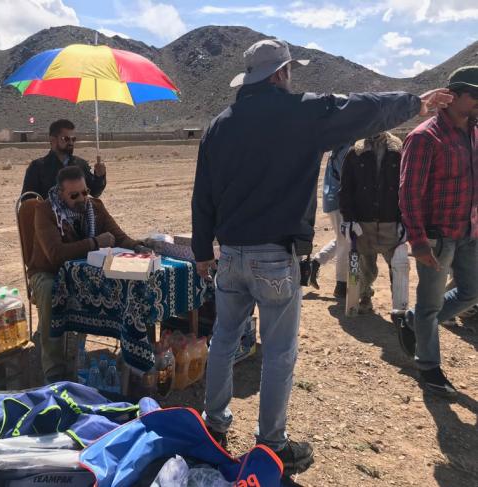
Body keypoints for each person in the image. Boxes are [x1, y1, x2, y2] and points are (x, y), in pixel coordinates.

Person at [191, 38, 452, 476]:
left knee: (223, 340)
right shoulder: (303, 113)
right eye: (290, 71)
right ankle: (271, 444)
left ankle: (213, 425)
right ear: (281, 73)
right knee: (278, 353)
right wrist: (414, 102)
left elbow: (202, 194)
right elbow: (362, 108)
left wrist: (202, 251)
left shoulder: (219, 124)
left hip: (230, 255)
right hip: (275, 257)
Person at [398, 66, 478, 398]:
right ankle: (428, 367)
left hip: (469, 232)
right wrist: (418, 241)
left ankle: (412, 320)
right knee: (430, 305)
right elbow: (408, 194)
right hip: (437, 237)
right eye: (475, 96)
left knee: (471, 292)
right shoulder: (423, 137)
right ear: (452, 97)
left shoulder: (473, 133)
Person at [27, 166, 146, 382]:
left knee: (126, 285)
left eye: (85, 192)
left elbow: (119, 237)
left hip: (84, 273)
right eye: (74, 195)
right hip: (49, 272)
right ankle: (53, 370)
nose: (82, 199)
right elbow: (55, 254)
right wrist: (94, 243)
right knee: (49, 290)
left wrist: (139, 247)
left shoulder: (94, 207)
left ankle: (130, 359)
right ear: (60, 194)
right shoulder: (46, 211)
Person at [339, 131, 410, 316]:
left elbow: (406, 186)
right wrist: (349, 219)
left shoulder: (398, 149)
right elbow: (346, 189)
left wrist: (405, 219)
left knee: (398, 265)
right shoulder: (356, 151)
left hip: (390, 220)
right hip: (364, 221)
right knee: (365, 266)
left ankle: (399, 305)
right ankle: (364, 297)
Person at [21, 119, 107, 198]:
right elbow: (27, 200)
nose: (71, 142)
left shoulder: (81, 165)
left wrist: (99, 177)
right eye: (66, 138)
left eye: (73, 139)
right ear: (53, 140)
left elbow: (95, 192)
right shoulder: (37, 167)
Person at [309, 142, 352, 297]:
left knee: (344, 237)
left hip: (335, 199)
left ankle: (315, 263)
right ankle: (341, 284)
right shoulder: (346, 148)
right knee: (345, 241)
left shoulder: (341, 145)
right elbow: (348, 179)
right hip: (340, 201)